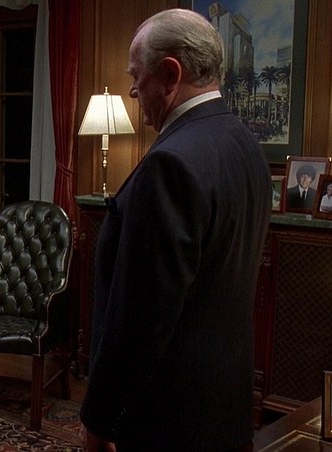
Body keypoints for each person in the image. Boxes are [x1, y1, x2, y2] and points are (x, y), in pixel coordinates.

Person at [79, 9, 271, 452]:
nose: (132, 90)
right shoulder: (245, 145)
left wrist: (101, 419)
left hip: (166, 420)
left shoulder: (169, 165)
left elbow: (141, 318)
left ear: (170, 75)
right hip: (225, 409)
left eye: (136, 76)